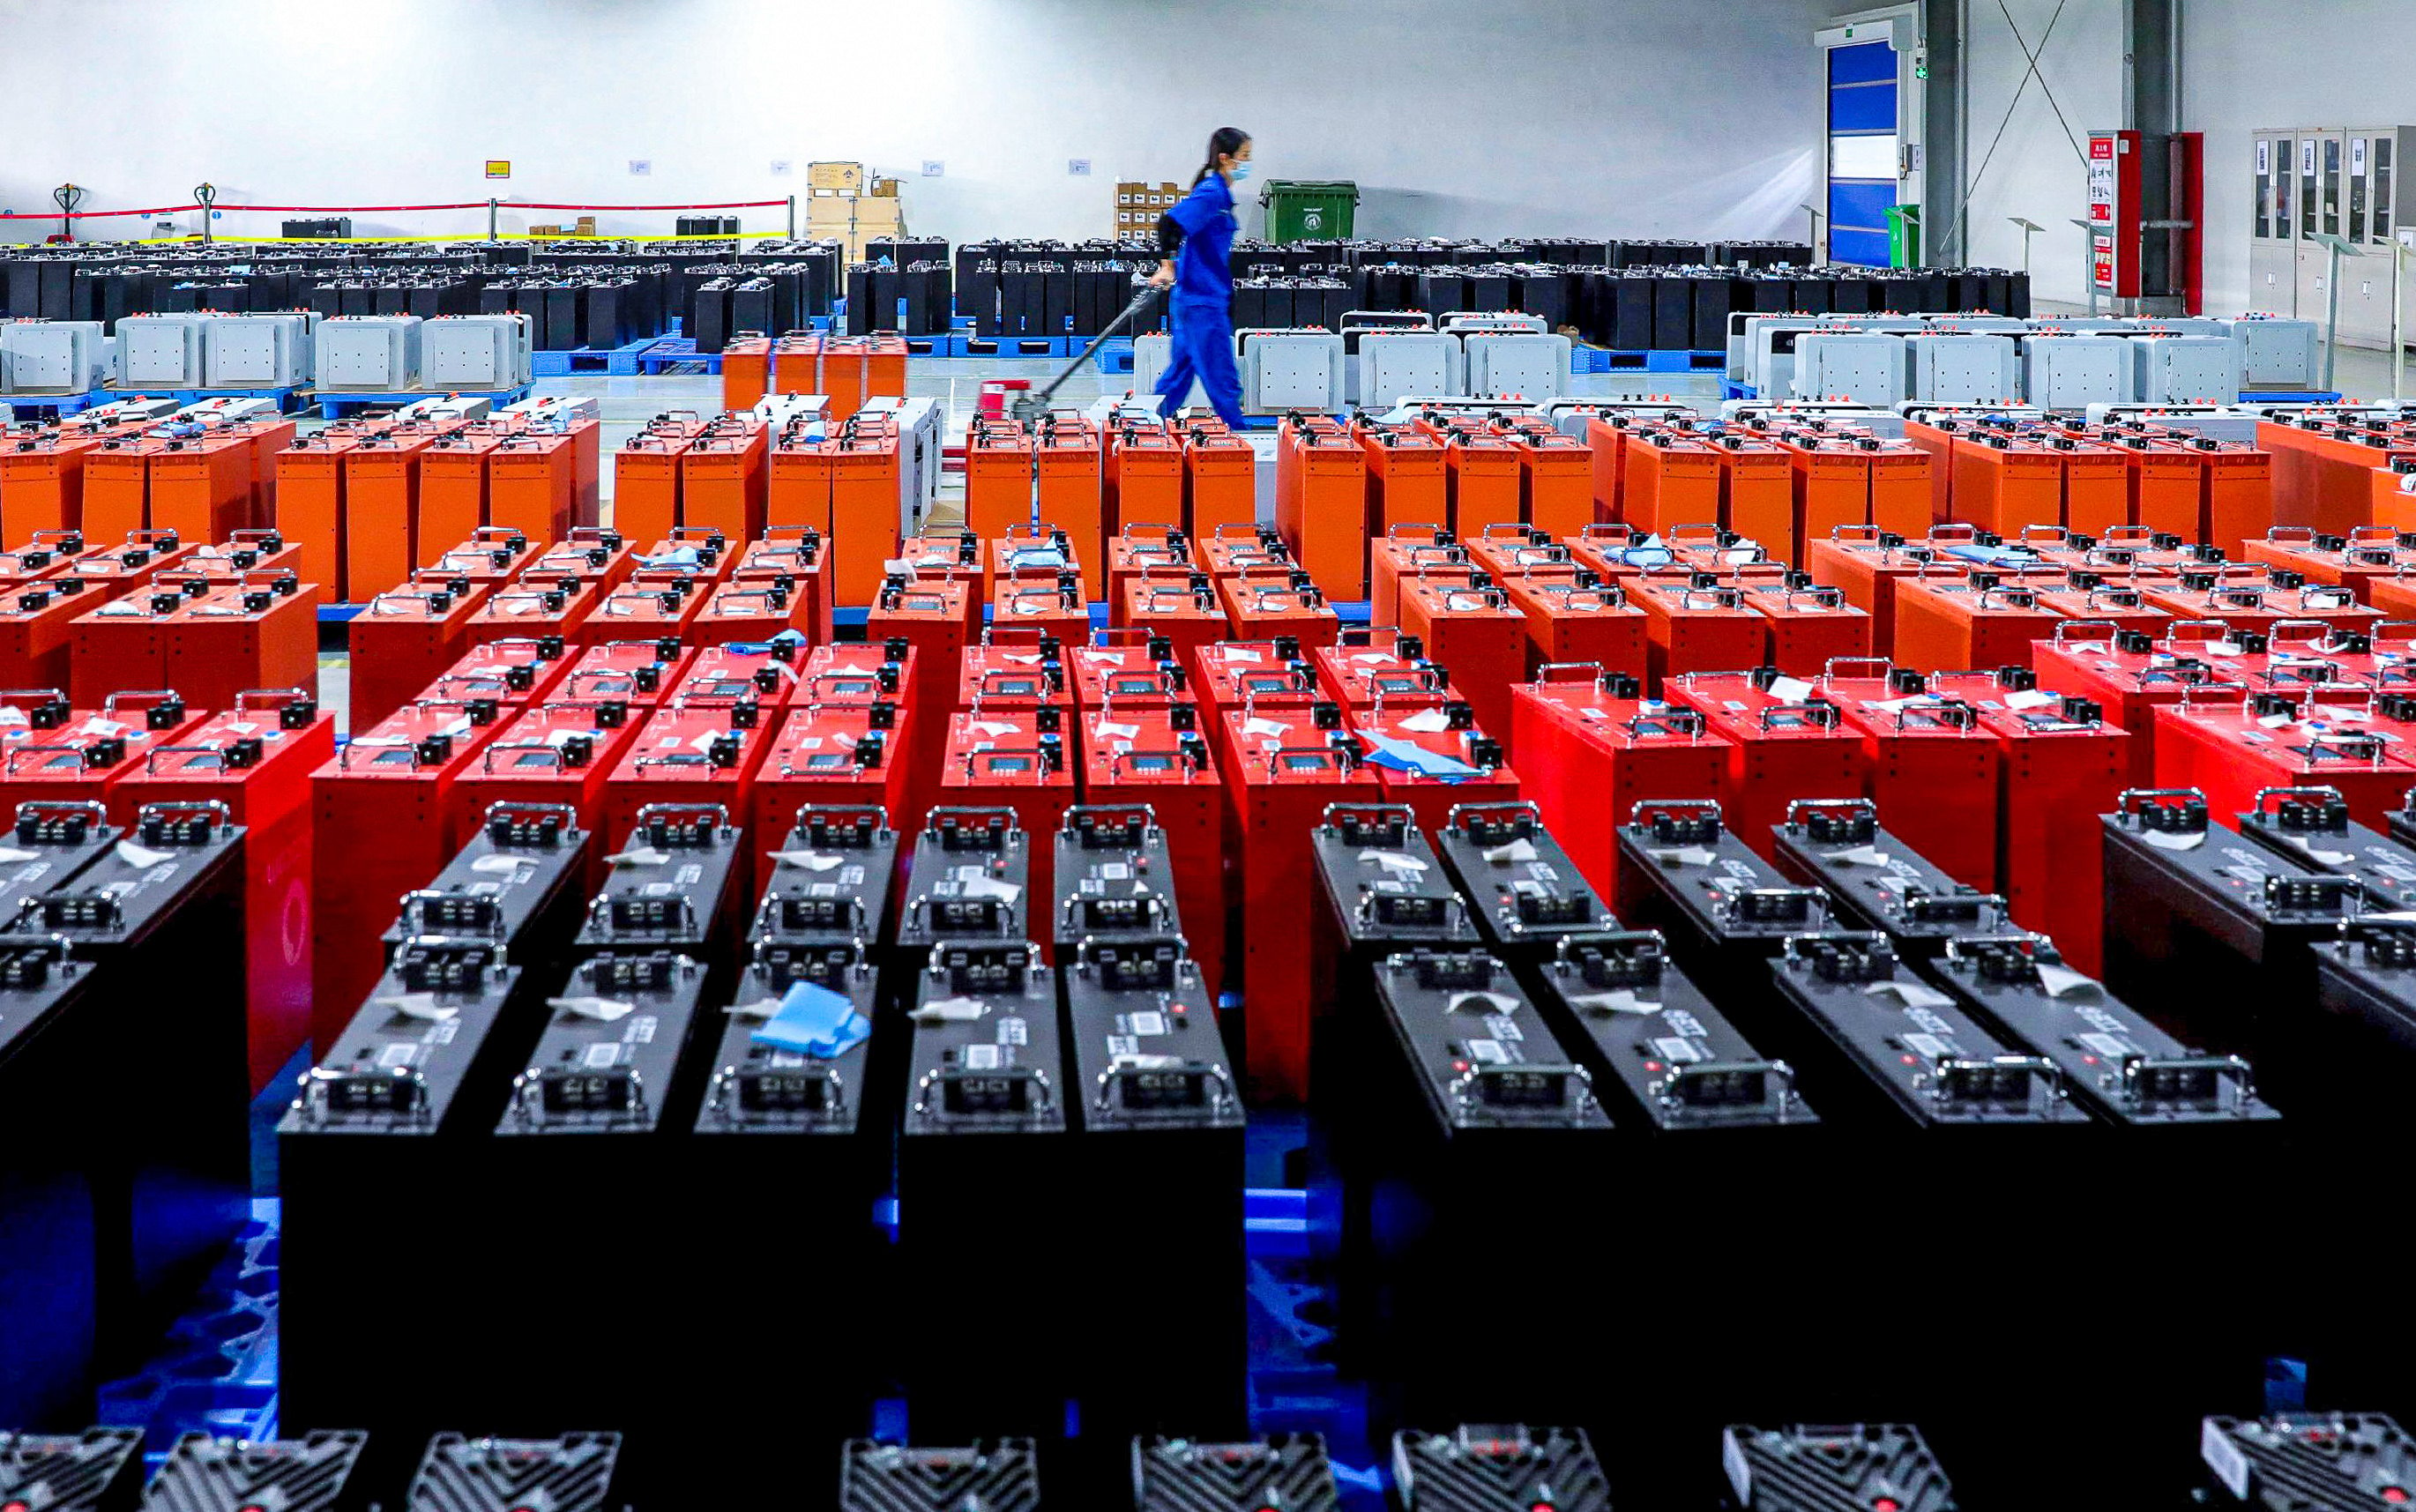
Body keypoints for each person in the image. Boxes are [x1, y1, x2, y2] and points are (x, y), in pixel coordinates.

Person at [1148, 126, 1252, 428]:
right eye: (1244, 156)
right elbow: (1169, 224)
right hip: (1201, 304)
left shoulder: (1219, 195)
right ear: (1225, 158)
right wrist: (1167, 266)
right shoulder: (1212, 193)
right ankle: (1244, 447)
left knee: (1178, 377)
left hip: (1198, 300)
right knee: (1222, 379)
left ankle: (1149, 432)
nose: (1248, 163)